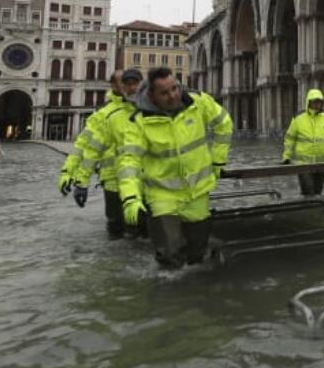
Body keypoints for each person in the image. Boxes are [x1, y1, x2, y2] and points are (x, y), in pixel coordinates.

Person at [118, 67, 233, 268]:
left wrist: (218, 161)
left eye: (175, 88)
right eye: (164, 92)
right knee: (170, 254)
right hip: (163, 196)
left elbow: (224, 123)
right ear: (152, 94)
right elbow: (129, 160)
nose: (173, 96)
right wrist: (130, 197)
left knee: (196, 254)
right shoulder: (138, 122)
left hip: (197, 192)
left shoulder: (198, 102)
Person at [60, 69, 142, 238]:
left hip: (143, 181)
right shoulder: (105, 114)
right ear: (113, 85)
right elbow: (85, 147)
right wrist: (73, 175)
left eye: (134, 83)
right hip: (113, 181)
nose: (130, 86)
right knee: (117, 229)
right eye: (124, 82)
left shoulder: (147, 109)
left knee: (141, 230)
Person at [283, 88, 324, 196]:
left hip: (321, 164)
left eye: (319, 101)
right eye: (314, 101)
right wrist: (286, 156)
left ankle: (315, 210)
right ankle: (307, 209)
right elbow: (290, 139)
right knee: (308, 191)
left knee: (318, 192)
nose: (317, 104)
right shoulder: (298, 119)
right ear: (308, 102)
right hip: (304, 164)